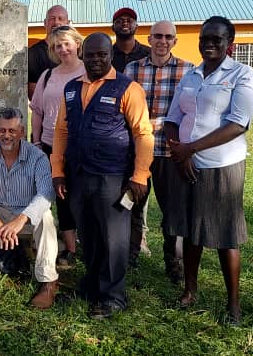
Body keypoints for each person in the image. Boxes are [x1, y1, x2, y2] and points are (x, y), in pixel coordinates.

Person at [163, 16, 253, 325]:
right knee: (192, 231)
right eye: (205, 38)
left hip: (222, 166)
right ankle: (190, 291)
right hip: (187, 164)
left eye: (216, 39)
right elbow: (172, 118)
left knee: (225, 235)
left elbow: (237, 124)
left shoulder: (243, 75)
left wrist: (191, 149)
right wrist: (181, 153)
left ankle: (233, 304)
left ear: (229, 44)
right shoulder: (191, 75)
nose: (209, 44)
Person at [50, 33, 154, 319]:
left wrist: (140, 175)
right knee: (89, 234)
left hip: (113, 175)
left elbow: (143, 134)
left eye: (102, 55)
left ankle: (113, 297)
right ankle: (92, 285)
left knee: (113, 238)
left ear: (110, 55)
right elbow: (61, 131)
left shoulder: (128, 88)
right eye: (91, 55)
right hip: (79, 174)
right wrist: (58, 171)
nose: (96, 60)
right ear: (82, 55)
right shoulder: (71, 88)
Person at [0, 107, 58, 310]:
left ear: (22, 131)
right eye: (2, 130)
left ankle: (48, 281)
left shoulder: (37, 157)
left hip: (23, 215)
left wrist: (20, 220)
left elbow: (46, 193)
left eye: (12, 131)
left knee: (46, 217)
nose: (6, 136)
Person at [123, 20, 195, 280]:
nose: (162, 41)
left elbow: (190, 113)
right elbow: (124, 110)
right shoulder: (132, 70)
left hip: (170, 153)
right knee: (130, 205)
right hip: (137, 153)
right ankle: (129, 255)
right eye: (157, 36)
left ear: (175, 41)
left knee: (173, 211)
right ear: (149, 39)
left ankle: (174, 262)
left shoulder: (189, 71)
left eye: (168, 37)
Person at [30, 25, 85, 269]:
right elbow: (38, 112)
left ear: (77, 43)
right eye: (57, 46)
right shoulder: (47, 76)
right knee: (61, 197)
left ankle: (91, 243)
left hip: (80, 144)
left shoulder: (89, 70)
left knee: (82, 195)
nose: (63, 49)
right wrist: (37, 142)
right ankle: (70, 249)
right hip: (51, 145)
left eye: (66, 43)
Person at [28, 5, 70, 99]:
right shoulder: (33, 53)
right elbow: (33, 95)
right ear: (45, 23)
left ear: (68, 23)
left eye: (60, 18)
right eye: (52, 18)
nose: (56, 22)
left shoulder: (77, 51)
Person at [110, 7, 150, 73]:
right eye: (120, 21)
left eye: (129, 21)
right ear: (113, 28)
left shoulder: (149, 54)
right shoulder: (106, 55)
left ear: (136, 27)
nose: (125, 23)